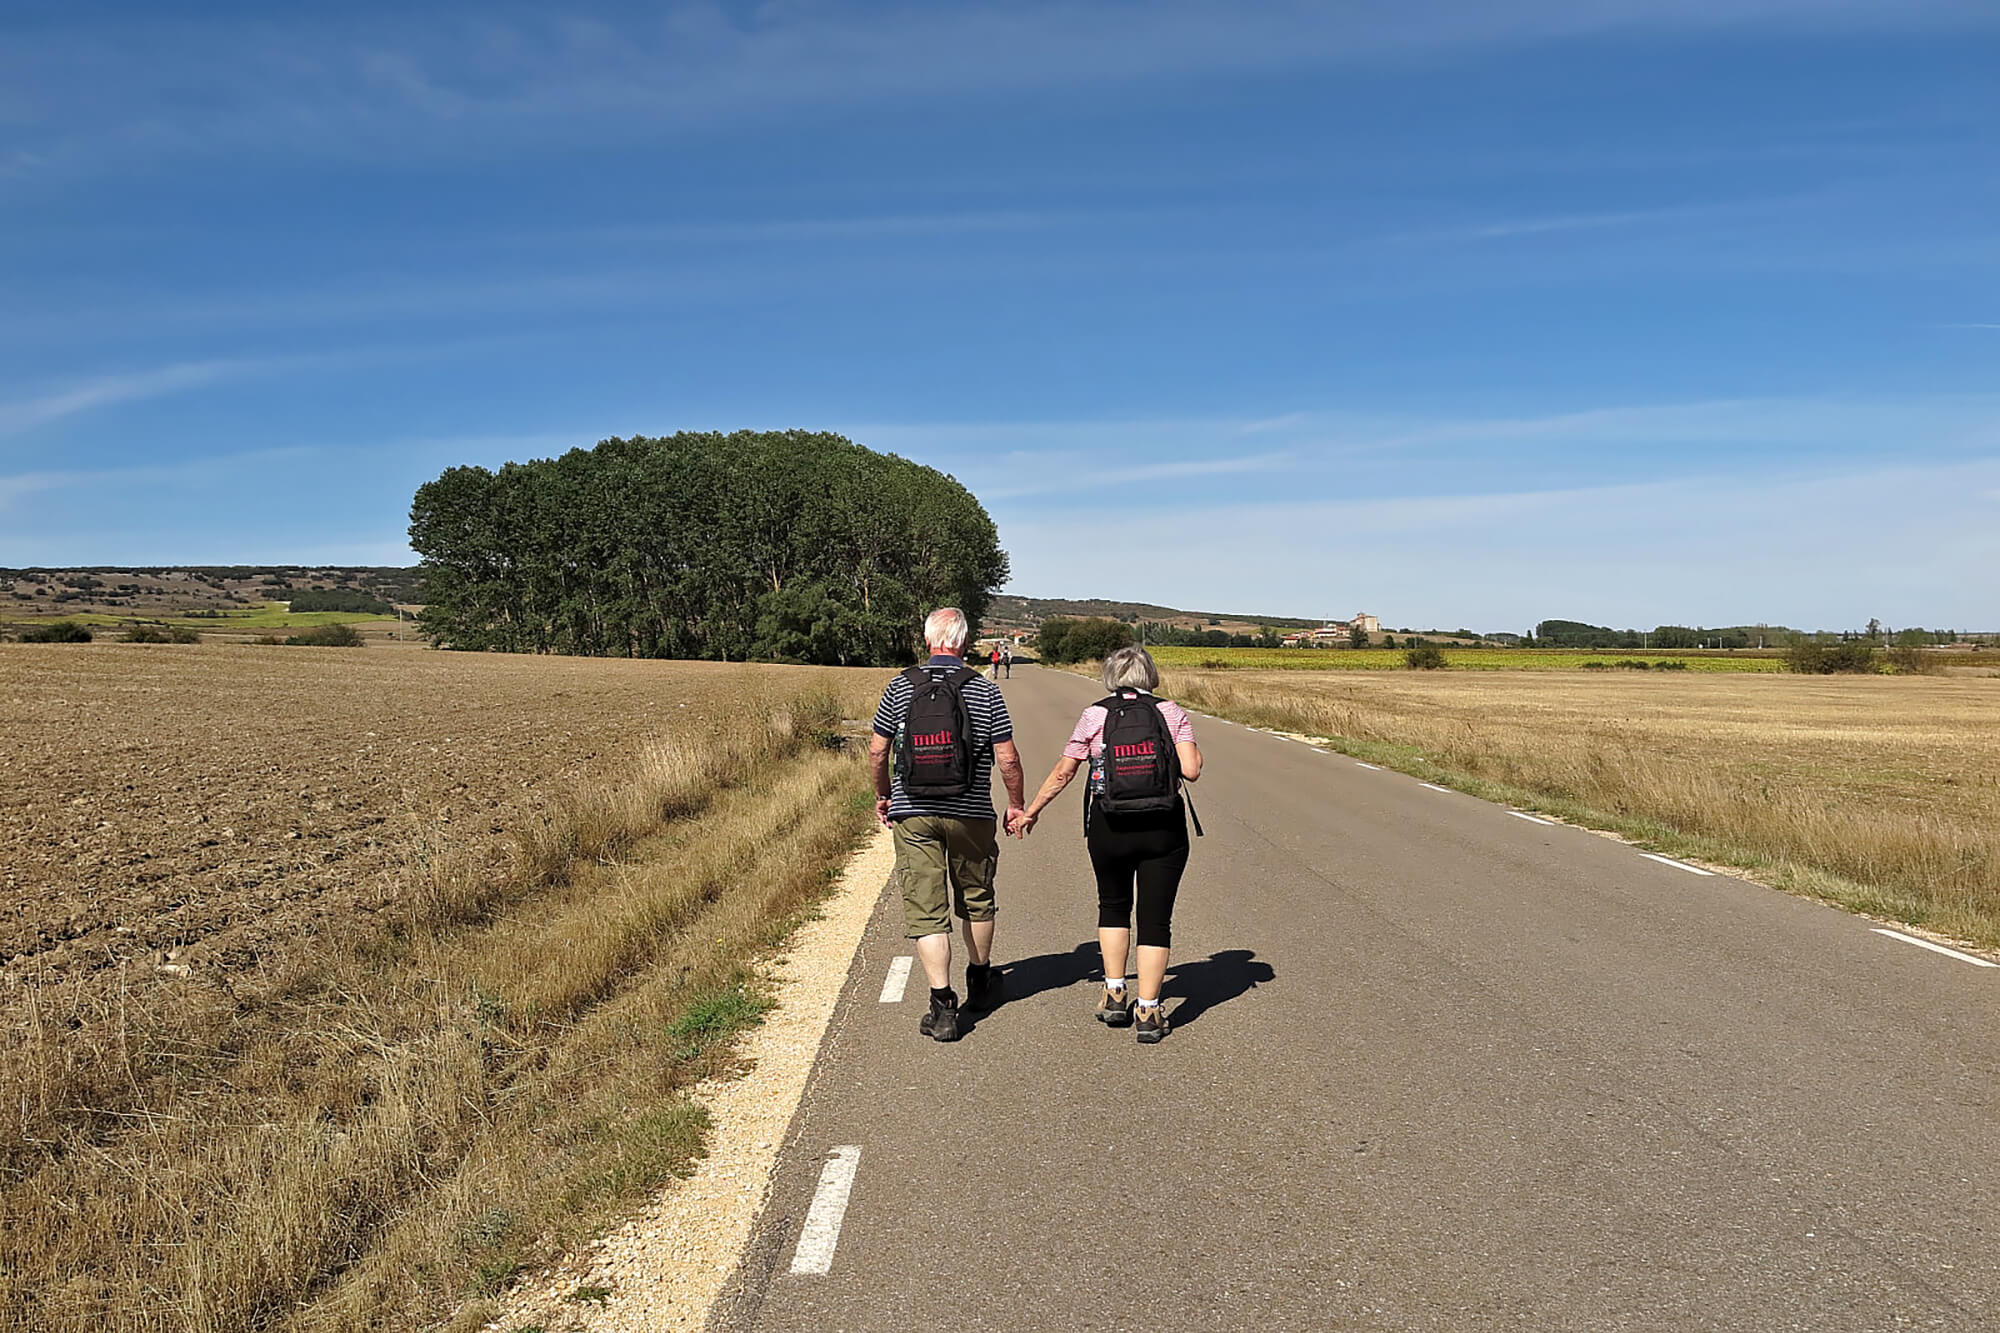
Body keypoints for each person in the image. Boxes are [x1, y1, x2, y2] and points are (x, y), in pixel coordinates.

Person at [1011, 645, 1202, 1044]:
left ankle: (1115, 993)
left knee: (1113, 905)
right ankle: (1149, 1011)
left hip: (1108, 824)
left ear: (1111, 677)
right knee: (1155, 919)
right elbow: (1191, 770)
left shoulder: (1094, 715)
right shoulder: (1170, 712)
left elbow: (1064, 772)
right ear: (1150, 675)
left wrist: (1032, 811)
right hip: (1163, 826)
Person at [870, 608, 1027, 1042]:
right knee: (976, 897)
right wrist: (1016, 804)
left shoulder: (899, 686)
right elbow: (1008, 758)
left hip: (913, 811)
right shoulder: (984, 689)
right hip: (971, 811)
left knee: (927, 909)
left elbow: (878, 751)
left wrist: (884, 794)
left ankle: (942, 1008)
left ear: (928, 641)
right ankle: (981, 981)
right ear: (964, 642)